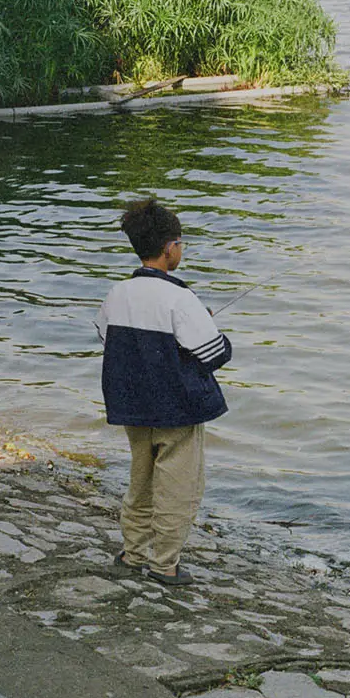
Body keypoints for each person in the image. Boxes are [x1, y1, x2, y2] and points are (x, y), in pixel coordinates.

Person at [94, 198, 232, 585]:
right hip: (177, 409)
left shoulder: (117, 293)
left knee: (140, 480)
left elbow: (106, 337)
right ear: (171, 248)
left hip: (132, 407)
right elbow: (214, 354)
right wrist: (206, 324)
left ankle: (132, 552)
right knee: (177, 487)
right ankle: (165, 564)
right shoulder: (180, 298)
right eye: (181, 243)